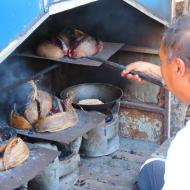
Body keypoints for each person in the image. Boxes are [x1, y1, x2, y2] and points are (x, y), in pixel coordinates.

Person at [121, 14, 190, 190]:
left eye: (162, 62)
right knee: (152, 168)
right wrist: (156, 71)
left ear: (178, 67)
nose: (161, 67)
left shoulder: (184, 147)